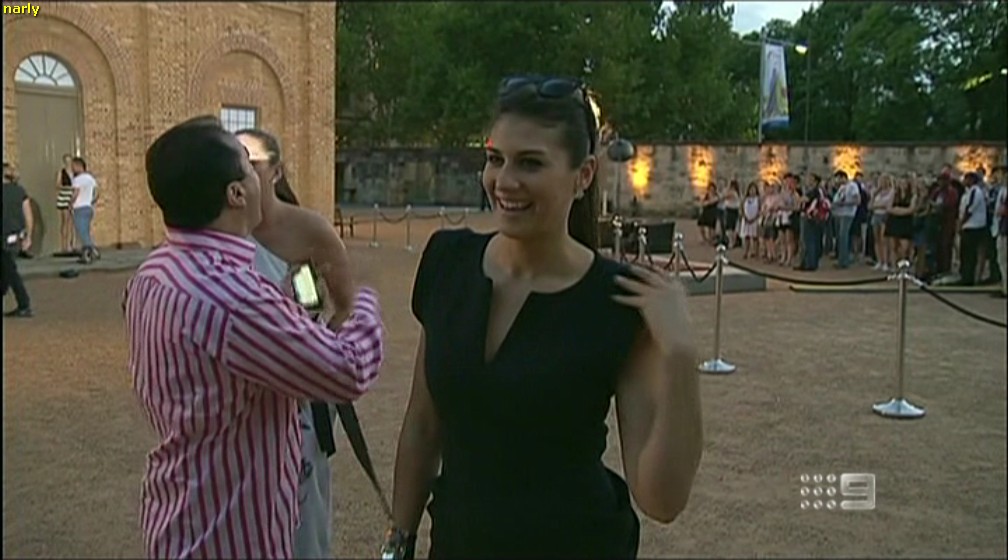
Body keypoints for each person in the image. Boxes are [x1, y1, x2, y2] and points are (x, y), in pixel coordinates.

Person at [385, 75, 702, 560]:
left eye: (530, 163)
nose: (504, 181)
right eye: (496, 159)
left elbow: (661, 499)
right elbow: (424, 425)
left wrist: (680, 356)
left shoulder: (617, 300)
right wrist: (398, 542)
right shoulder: (448, 263)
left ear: (584, 175)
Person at [125, 116, 385, 559]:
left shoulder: (155, 271)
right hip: (231, 532)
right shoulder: (234, 296)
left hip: (183, 510)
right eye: (247, 164)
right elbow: (348, 370)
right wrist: (365, 301)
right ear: (236, 194)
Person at [235, 127, 341, 559]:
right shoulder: (222, 235)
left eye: (251, 163)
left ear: (275, 171)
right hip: (240, 414)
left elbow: (317, 309)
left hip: (296, 406)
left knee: (302, 525)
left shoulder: (299, 235)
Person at [2, 162, 33, 317]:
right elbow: (28, 215)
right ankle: (23, 304)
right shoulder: (20, 191)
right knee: (7, 270)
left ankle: (24, 304)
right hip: (15, 236)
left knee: (10, 271)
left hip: (3, 235)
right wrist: (28, 236)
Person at [957, 172, 988, 286]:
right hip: (967, 227)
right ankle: (965, 275)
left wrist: (961, 223)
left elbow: (970, 209)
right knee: (965, 253)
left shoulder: (976, 192)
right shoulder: (967, 192)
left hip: (973, 227)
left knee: (970, 254)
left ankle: (968, 277)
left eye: (966, 179)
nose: (964, 181)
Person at [69, 157, 100, 263]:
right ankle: (93, 251)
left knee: (82, 231)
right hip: (88, 208)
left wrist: (70, 203)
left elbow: (76, 193)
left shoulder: (77, 180)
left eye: (73, 166)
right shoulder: (90, 178)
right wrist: (91, 201)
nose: (72, 168)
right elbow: (97, 193)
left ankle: (88, 254)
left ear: (79, 166)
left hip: (79, 208)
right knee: (86, 231)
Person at [831, 170, 861, 269]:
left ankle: (844, 261)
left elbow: (857, 200)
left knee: (843, 236)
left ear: (843, 177)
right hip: (839, 214)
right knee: (840, 237)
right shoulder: (842, 187)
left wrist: (843, 203)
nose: (837, 181)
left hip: (847, 214)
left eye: (838, 179)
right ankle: (842, 258)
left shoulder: (852, 186)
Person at [55, 153, 76, 254]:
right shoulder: (61, 172)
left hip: (73, 197)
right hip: (64, 197)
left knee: (72, 222)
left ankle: (71, 245)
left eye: (70, 161)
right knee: (65, 221)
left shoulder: (75, 173)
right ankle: (63, 245)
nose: (68, 163)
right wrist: (67, 187)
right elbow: (57, 185)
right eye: (66, 161)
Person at [993, 165, 1007, 299]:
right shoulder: (1002, 190)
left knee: (1004, 259)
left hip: (1005, 228)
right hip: (1001, 228)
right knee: (1001, 259)